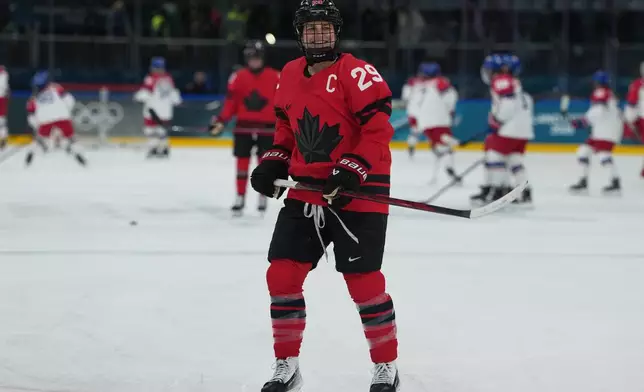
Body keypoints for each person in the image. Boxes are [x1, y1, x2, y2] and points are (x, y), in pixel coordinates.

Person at [249, 1, 400, 391]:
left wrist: (352, 168)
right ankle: (287, 365)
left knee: (363, 281)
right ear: (299, 35)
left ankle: (386, 366)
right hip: (307, 191)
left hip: (359, 191)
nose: (319, 35)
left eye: (326, 28)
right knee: (281, 274)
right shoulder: (288, 73)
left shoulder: (357, 72)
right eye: (311, 28)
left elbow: (380, 128)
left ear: (336, 32)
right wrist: (274, 162)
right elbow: (285, 130)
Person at [209, 40, 280, 216]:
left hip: (268, 128)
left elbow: (283, 103)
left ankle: (263, 195)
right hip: (243, 127)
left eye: (257, 58)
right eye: (251, 58)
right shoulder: (238, 77)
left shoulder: (276, 77)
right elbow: (231, 103)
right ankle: (240, 197)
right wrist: (221, 120)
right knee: (242, 164)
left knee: (265, 165)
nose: (254, 61)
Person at [470, 54, 534, 204]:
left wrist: (497, 120)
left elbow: (508, 104)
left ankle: (497, 190)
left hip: (509, 129)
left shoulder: (502, 80)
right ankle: (524, 191)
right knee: (514, 159)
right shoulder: (516, 82)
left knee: (494, 156)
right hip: (522, 131)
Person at [569, 70, 623, 193]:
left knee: (603, 155)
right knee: (583, 151)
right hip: (605, 130)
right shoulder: (609, 94)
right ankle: (583, 180)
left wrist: (583, 121)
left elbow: (598, 111)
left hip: (605, 131)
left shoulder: (601, 92)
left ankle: (615, 182)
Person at [25, 71, 87, 166]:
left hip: (45, 120)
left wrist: (35, 125)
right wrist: (67, 111)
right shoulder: (56, 87)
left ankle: (31, 153)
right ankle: (77, 153)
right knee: (70, 137)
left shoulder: (33, 97)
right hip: (62, 117)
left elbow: (31, 115)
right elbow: (70, 100)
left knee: (40, 140)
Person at [414, 61, 460, 182]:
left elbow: (415, 105)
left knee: (438, 147)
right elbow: (451, 98)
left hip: (425, 123)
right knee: (444, 147)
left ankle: (440, 173)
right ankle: (449, 167)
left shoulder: (420, 86)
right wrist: (449, 110)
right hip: (440, 121)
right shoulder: (440, 82)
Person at [134, 57, 182, 158]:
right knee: (161, 130)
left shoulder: (151, 78)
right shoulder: (168, 78)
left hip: (153, 110)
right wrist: (177, 101)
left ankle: (154, 148)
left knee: (151, 129)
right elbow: (174, 94)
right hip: (165, 111)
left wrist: (138, 97)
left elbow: (145, 92)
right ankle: (163, 148)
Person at [623, 62, 644, 178]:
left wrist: (630, 120)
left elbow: (631, 104)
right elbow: (631, 103)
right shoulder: (637, 85)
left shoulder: (637, 84)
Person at [401, 66, 424, 156]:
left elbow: (405, 98)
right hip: (418, 112)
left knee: (415, 130)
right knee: (416, 130)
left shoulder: (410, 84)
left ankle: (411, 144)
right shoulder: (428, 84)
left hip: (414, 112)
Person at [0, 65, 8, 149]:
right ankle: (3, 139)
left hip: (1, 98)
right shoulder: (4, 73)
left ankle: (3, 139)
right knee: (2, 120)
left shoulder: (3, 73)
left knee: (2, 120)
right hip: (2, 97)